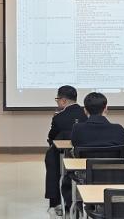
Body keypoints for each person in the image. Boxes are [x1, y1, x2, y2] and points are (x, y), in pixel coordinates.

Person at [45, 85, 87, 215]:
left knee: (51, 156)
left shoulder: (59, 117)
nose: (57, 102)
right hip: (84, 156)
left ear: (63, 101)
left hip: (62, 156)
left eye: (57, 99)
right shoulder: (86, 114)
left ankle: (55, 202)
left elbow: (51, 137)